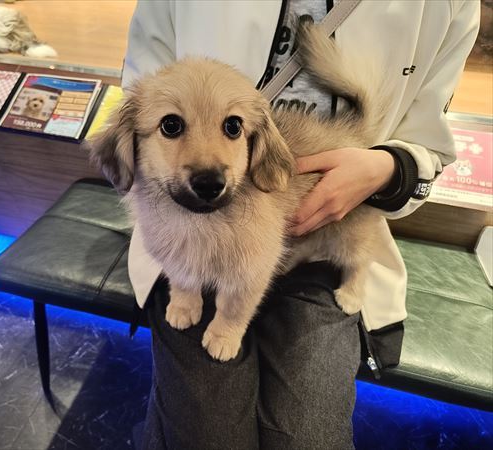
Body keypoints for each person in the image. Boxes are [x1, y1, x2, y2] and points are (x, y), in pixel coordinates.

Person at [120, 1, 480, 449]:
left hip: (324, 245)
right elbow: (138, 99)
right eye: (173, 126)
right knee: (205, 434)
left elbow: (430, 146)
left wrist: (387, 167)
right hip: (182, 227)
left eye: (232, 127)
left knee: (308, 437)